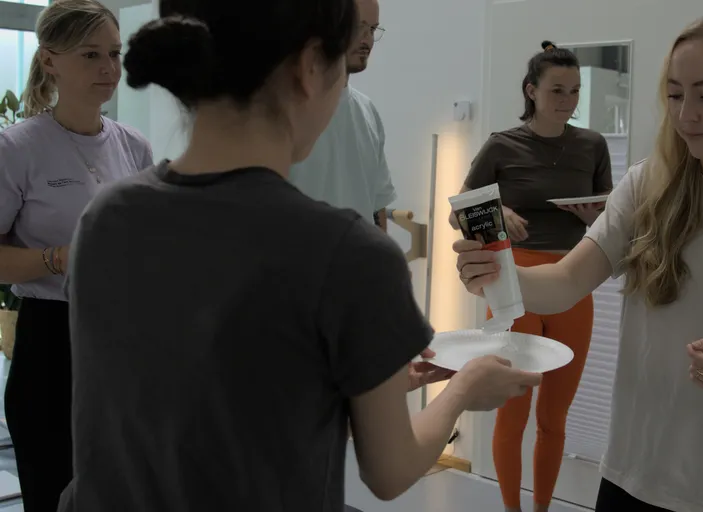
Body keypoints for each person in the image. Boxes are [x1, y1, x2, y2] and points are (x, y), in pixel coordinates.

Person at [57, 1, 542, 511]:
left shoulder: (105, 219)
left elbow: (192, 392)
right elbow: (390, 470)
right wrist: (464, 388)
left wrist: (352, 379)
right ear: (311, 67)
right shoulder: (349, 255)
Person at [455, 15, 703, 512]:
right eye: (674, 95)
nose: (686, 114)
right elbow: (567, 280)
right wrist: (500, 275)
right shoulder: (649, 185)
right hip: (632, 475)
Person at [0, 1, 152, 510]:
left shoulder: (134, 146)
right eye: (91, 55)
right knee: (53, 494)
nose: (109, 69)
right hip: (50, 341)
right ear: (50, 61)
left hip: (125, 341)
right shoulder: (17, 148)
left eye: (114, 53)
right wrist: (61, 258)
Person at [448, 40, 612, 512]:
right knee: (512, 411)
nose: (567, 100)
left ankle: (541, 508)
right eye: (557, 89)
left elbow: (609, 220)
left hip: (573, 280)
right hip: (511, 279)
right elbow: (460, 214)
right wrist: (496, 211)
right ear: (532, 91)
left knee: (554, 415)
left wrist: (590, 218)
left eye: (575, 91)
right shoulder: (503, 144)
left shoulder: (592, 145)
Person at [288, 0, 396, 231]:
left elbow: (376, 206)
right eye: (359, 27)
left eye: (373, 29)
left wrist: (380, 262)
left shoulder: (368, 112)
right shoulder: (288, 108)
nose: (367, 39)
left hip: (358, 263)